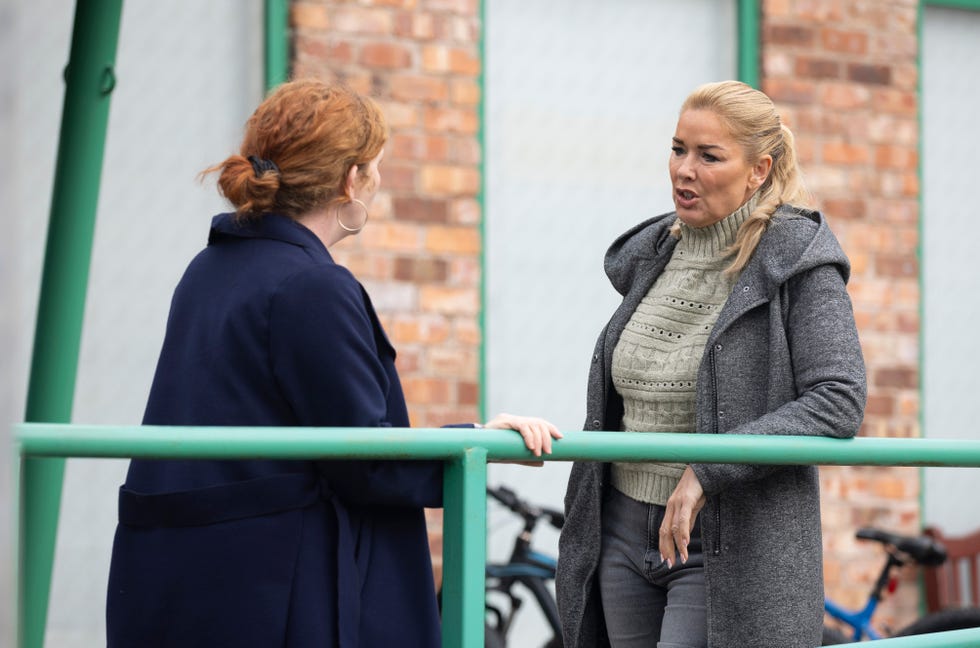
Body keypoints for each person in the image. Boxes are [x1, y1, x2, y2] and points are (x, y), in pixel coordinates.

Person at [105, 78, 560, 648]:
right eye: (376, 167)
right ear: (351, 179)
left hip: (188, 581)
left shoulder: (209, 269)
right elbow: (364, 461)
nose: (378, 181)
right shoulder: (312, 286)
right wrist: (479, 443)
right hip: (277, 595)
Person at [555, 80, 867, 648]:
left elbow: (838, 399)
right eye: (678, 149)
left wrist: (706, 470)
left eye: (709, 156)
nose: (684, 170)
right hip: (620, 530)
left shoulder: (797, 258)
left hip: (726, 540)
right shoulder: (655, 253)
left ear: (758, 170)